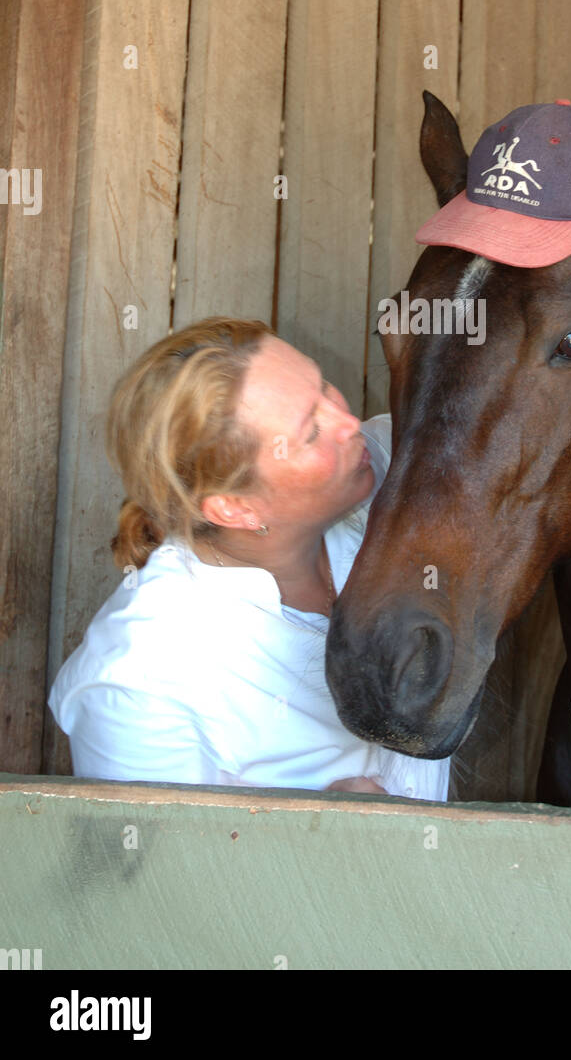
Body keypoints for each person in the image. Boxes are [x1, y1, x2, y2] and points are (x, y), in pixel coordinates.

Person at [47, 317, 450, 800]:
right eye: (311, 430)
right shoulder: (138, 685)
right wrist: (321, 837)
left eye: (323, 385)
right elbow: (154, 873)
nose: (348, 423)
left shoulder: (380, 473)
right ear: (234, 508)